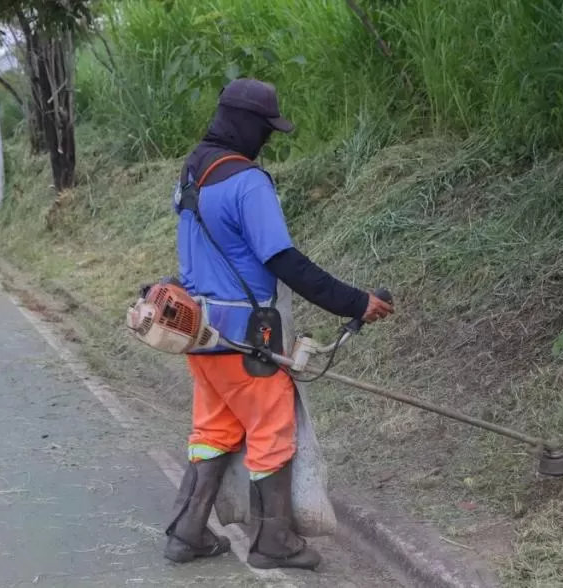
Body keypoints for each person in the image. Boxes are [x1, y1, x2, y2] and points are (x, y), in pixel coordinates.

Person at [162, 78, 393, 570]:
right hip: (248, 340)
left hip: (198, 333)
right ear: (246, 126)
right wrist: (355, 302)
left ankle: (186, 532)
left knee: (215, 429)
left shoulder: (190, 173)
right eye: (265, 131)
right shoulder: (248, 182)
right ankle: (275, 541)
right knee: (272, 431)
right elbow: (283, 261)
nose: (266, 141)